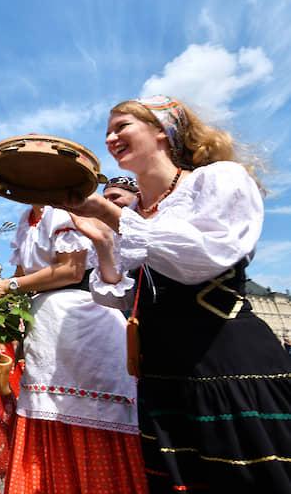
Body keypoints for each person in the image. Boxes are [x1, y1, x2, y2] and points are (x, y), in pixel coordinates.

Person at [64, 95, 291, 492]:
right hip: (164, 376)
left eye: (121, 127)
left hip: (225, 365)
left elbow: (205, 258)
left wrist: (109, 215)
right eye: (107, 132)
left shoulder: (217, 179)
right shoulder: (136, 217)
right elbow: (123, 300)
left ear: (161, 131)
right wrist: (102, 239)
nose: (111, 138)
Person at [0, 204, 147, 493]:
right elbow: (18, 283)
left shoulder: (64, 212)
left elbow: (72, 270)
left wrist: (6, 286)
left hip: (81, 317)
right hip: (44, 322)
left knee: (88, 415)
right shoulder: (24, 221)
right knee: (47, 415)